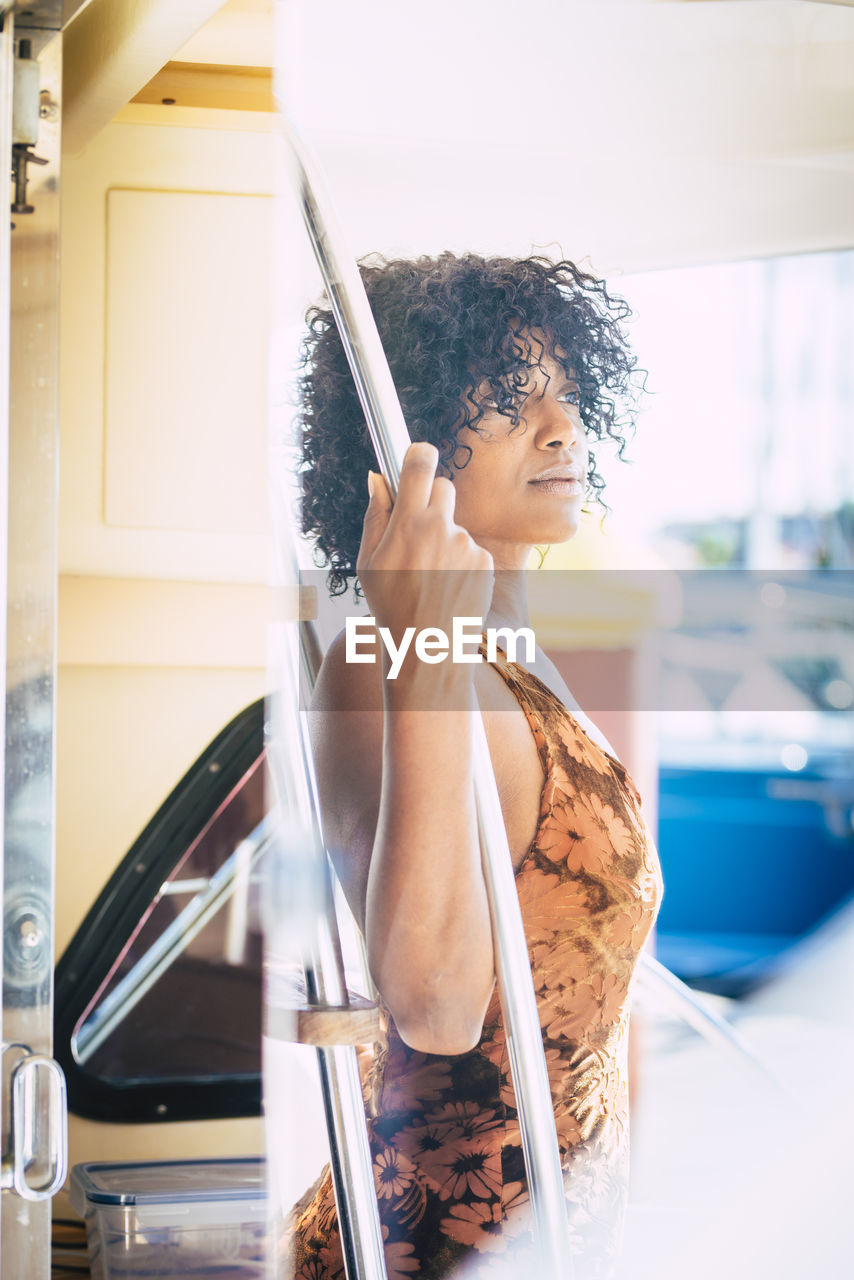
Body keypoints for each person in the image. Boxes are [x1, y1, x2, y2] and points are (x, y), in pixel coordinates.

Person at [289, 253, 663, 1280]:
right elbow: (433, 1001)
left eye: (566, 393)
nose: (559, 426)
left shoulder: (519, 665)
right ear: (408, 445)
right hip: (434, 1246)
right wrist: (422, 637)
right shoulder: (379, 661)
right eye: (506, 398)